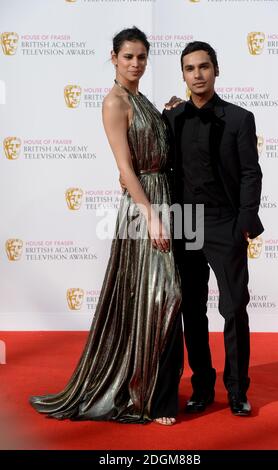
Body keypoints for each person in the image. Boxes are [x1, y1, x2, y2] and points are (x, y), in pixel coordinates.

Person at [30, 27, 183, 426]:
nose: (136, 63)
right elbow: (125, 168)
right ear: (113, 57)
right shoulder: (115, 102)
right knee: (162, 296)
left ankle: (154, 392)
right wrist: (150, 217)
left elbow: (154, 146)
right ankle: (144, 396)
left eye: (142, 57)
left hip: (162, 196)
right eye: (129, 56)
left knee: (158, 297)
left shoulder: (140, 98)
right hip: (143, 207)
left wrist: (170, 112)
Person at [163, 41, 263, 416]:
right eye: (190, 68)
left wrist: (244, 224)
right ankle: (202, 385)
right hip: (185, 219)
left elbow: (252, 173)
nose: (198, 74)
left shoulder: (240, 118)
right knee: (192, 308)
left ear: (215, 70)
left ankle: (237, 389)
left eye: (204, 67)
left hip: (225, 221)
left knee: (234, 307)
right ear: (184, 74)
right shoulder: (172, 118)